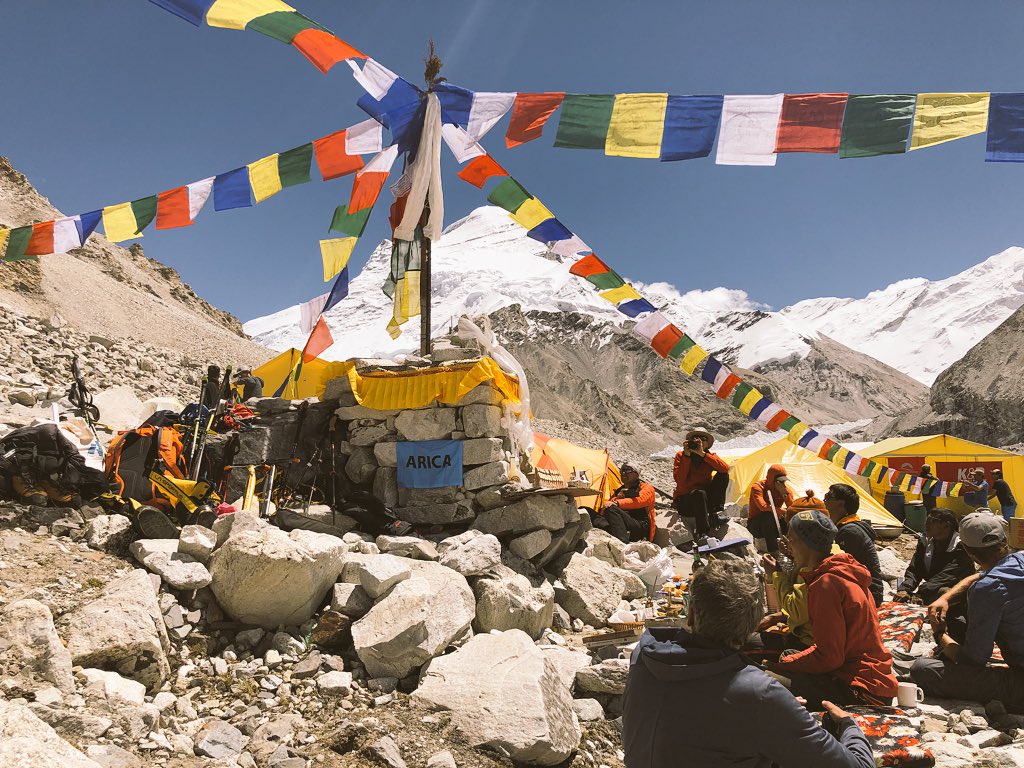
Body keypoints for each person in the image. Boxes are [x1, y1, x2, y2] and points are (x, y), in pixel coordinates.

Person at [623, 559, 874, 768]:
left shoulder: (643, 658)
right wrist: (848, 726)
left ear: (690, 614)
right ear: (755, 625)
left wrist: (774, 711)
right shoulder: (760, 695)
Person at [770, 510, 898, 710]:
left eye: (792, 540)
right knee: (788, 654)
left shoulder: (825, 584)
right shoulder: (840, 570)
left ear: (804, 543)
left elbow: (829, 656)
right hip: (872, 677)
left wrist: (782, 665)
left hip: (860, 689)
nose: (789, 546)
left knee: (766, 678)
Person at [911, 512, 1024, 709]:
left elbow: (973, 660)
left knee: (923, 670)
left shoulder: (987, 589)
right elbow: (982, 575)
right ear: (1004, 540)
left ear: (967, 550)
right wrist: (947, 597)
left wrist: (940, 633)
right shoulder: (1020, 559)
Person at [894, 509, 975, 605]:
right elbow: (915, 568)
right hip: (931, 587)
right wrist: (905, 589)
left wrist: (921, 592)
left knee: (944, 592)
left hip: (956, 589)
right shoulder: (925, 542)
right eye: (926, 521)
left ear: (946, 526)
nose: (926, 524)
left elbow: (947, 576)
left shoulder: (961, 546)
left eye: (932, 521)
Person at [824, 484, 884, 606]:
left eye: (829, 496)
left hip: (868, 595)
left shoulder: (849, 532)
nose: (824, 500)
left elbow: (841, 569)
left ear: (841, 504)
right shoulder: (846, 528)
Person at [673, 429, 729, 539]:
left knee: (723, 476)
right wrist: (687, 456)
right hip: (686, 501)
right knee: (699, 493)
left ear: (708, 444)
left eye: (702, 439)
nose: (698, 441)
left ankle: (714, 514)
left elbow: (725, 468)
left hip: (703, 499)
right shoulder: (681, 456)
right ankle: (702, 532)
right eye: (695, 439)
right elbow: (680, 480)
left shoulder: (708, 456)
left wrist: (702, 454)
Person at [593, 464, 656, 543]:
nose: (624, 473)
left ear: (636, 474)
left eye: (628, 470)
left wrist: (618, 503)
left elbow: (641, 500)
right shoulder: (619, 490)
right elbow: (607, 506)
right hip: (620, 523)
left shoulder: (646, 487)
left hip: (639, 525)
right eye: (622, 471)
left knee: (611, 509)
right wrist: (617, 499)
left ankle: (622, 543)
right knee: (587, 511)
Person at [747, 464, 794, 556]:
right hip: (757, 524)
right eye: (779, 481)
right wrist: (781, 511)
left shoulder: (784, 490)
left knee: (791, 519)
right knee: (768, 515)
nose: (782, 484)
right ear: (772, 479)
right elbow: (763, 506)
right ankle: (773, 551)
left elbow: (792, 508)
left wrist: (784, 494)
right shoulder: (758, 487)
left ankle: (791, 549)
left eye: (783, 481)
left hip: (774, 522)